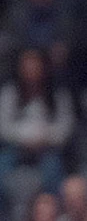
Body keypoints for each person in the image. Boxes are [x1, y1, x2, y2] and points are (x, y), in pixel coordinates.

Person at [0, 46, 75, 202]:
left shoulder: (58, 96)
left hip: (47, 151)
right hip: (15, 150)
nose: (31, 70)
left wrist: (45, 138)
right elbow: (3, 127)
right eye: (27, 65)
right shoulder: (9, 94)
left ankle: (47, 212)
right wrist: (25, 139)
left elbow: (65, 128)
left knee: (53, 170)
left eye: (35, 65)